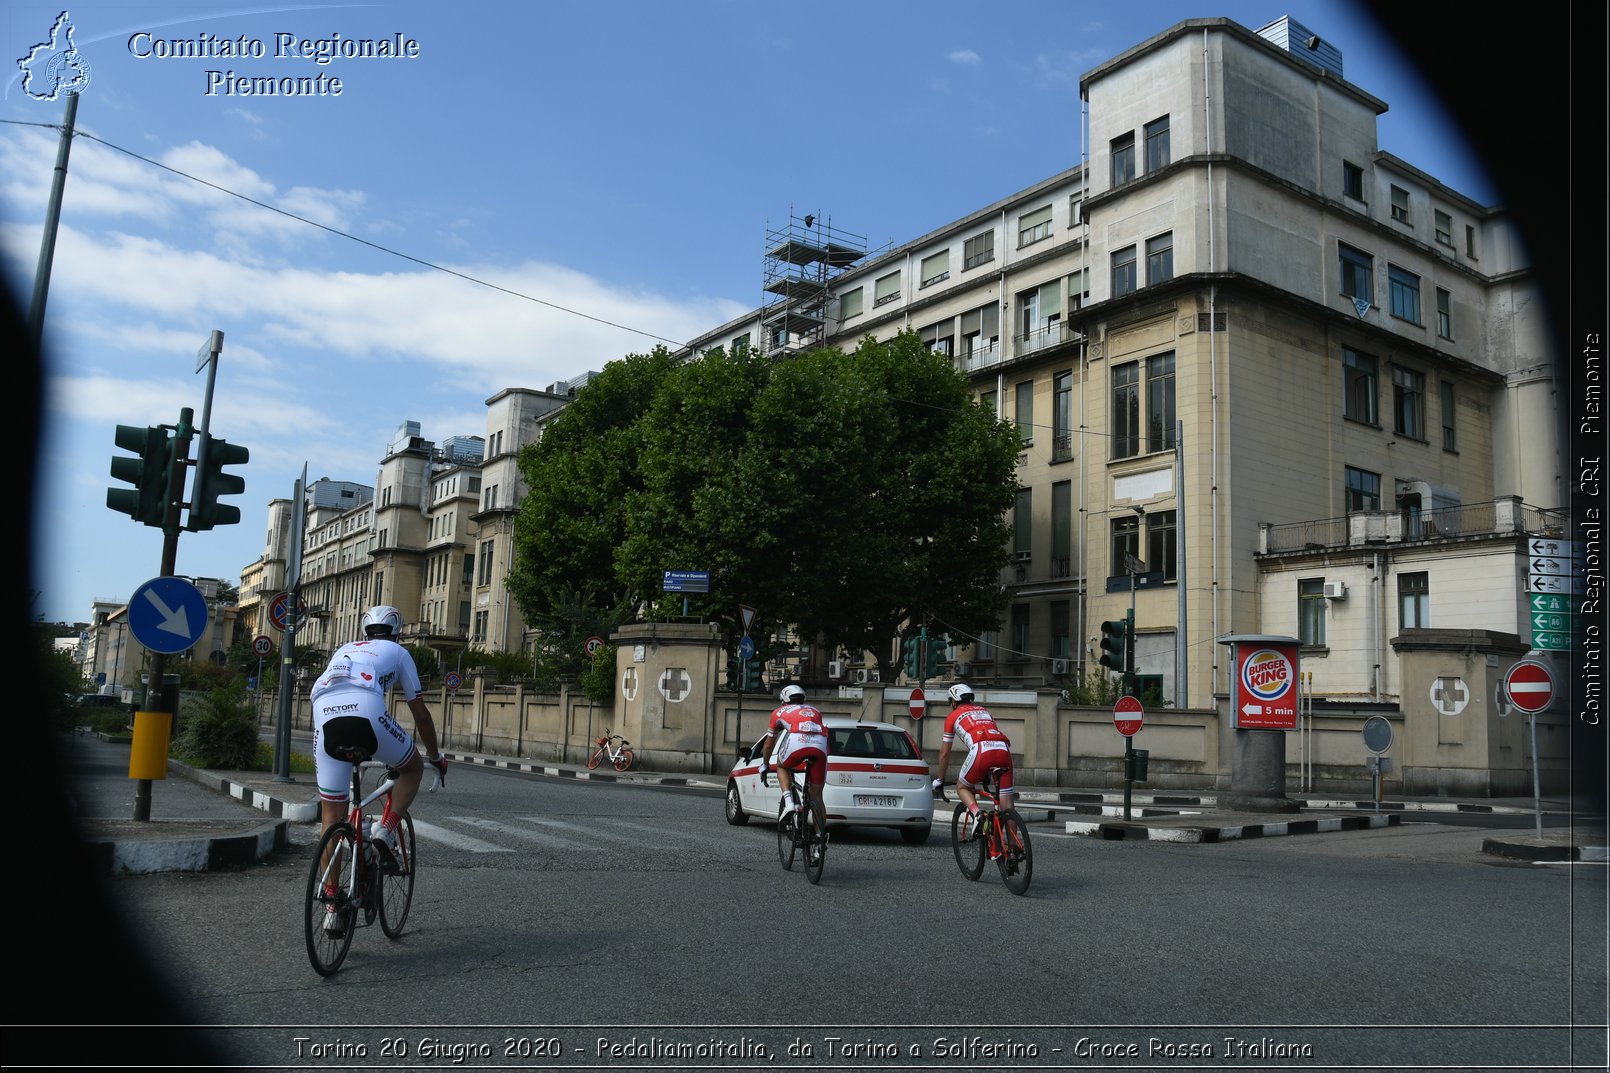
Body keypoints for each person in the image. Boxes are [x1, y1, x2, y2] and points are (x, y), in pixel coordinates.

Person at [310, 604, 447, 930]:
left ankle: (331, 908)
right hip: (365, 709)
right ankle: (385, 831)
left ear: (364, 631)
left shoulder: (343, 649)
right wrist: (435, 756)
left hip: (324, 714)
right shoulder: (398, 652)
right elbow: (421, 714)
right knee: (411, 768)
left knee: (331, 817)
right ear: (396, 631)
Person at [931, 683, 1016, 846]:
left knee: (962, 787)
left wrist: (940, 779)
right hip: (1003, 748)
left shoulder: (953, 716)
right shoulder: (985, 712)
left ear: (954, 701)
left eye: (950, 702)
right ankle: (1013, 849)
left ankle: (978, 815)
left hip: (981, 750)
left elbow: (944, 753)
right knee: (1007, 805)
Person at [755, 684, 828, 817]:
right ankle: (819, 835)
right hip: (821, 744)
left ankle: (789, 802)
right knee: (817, 797)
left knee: (781, 765)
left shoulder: (778, 712)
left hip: (797, 741)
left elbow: (769, 744)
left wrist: (765, 764)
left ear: (784, 700)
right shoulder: (815, 710)